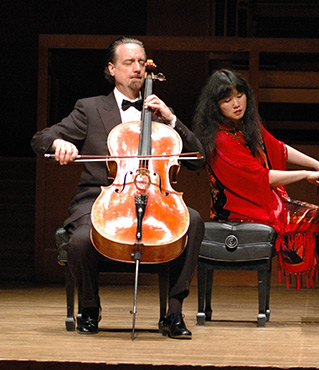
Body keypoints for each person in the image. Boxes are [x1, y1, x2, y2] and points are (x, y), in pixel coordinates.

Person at [31, 37, 205, 339]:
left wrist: (173, 119)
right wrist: (59, 143)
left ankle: (174, 313)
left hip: (156, 199)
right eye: (128, 63)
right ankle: (89, 307)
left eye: (141, 62)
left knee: (194, 222)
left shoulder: (161, 114)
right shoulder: (89, 108)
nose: (137, 68)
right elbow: (41, 138)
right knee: (81, 240)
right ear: (112, 69)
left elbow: (198, 159)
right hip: (102, 198)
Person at [192, 69, 319, 326]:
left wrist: (317, 165)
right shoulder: (221, 138)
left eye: (240, 95)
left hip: (261, 200)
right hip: (237, 209)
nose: (236, 104)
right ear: (215, 106)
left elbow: (279, 148)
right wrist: (304, 174)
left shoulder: (247, 125)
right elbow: (261, 177)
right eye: (227, 100)